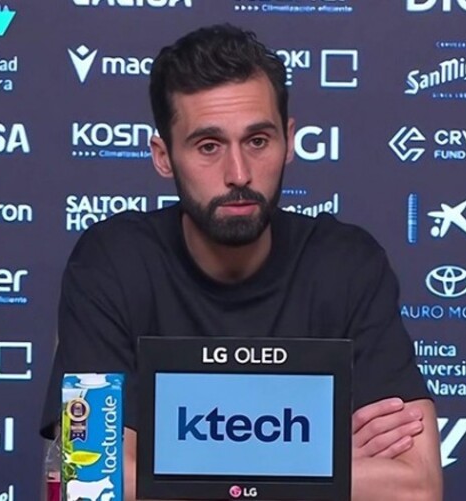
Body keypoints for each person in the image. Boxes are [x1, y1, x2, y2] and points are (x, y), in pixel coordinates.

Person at [41, 24, 443, 501]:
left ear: (288, 140)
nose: (238, 174)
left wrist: (162, 462)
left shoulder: (347, 265)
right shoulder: (111, 263)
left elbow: (415, 487)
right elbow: (86, 480)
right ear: (163, 156)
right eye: (208, 146)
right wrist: (321, 463)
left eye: (257, 141)